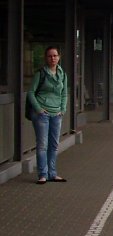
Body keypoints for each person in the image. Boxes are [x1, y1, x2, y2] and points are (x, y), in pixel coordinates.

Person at [27, 46, 69, 184]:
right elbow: (31, 92)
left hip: (56, 113)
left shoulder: (62, 74)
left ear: (59, 57)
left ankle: (52, 173)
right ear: (46, 58)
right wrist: (38, 109)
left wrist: (62, 109)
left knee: (54, 145)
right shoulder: (40, 73)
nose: (53, 58)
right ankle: (43, 174)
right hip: (42, 114)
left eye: (55, 55)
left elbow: (64, 94)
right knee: (42, 145)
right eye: (50, 56)